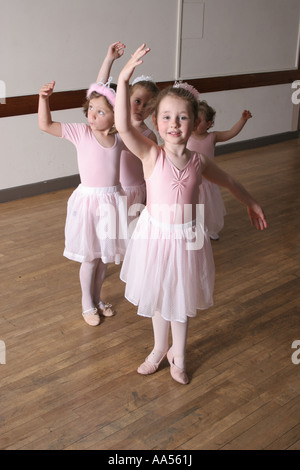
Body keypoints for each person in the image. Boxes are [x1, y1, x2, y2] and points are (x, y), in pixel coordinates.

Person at [115, 44, 267, 385]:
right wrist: (124, 75)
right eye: (166, 117)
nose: (174, 123)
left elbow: (228, 180)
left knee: (180, 301)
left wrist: (250, 202)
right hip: (155, 237)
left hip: (186, 238)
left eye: (182, 117)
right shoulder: (152, 155)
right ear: (156, 121)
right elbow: (124, 127)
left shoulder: (199, 161)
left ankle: (178, 356)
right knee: (157, 297)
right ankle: (158, 348)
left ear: (194, 121)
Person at [38, 79, 127, 326]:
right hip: (89, 203)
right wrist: (44, 99)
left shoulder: (120, 139)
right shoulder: (81, 132)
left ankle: (98, 298)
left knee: (104, 258)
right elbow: (45, 125)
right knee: (90, 257)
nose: (93, 116)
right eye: (91, 109)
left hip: (112, 202)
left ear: (115, 115)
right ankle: (86, 302)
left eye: (101, 112)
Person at [96, 43, 159, 232]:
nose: (141, 108)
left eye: (148, 105)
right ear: (127, 96)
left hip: (137, 191)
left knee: (132, 233)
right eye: (137, 101)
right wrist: (109, 60)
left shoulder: (150, 135)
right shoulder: (115, 122)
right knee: (112, 230)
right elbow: (99, 91)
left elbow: (152, 170)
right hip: (115, 190)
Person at [187, 99, 253, 240]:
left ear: (209, 124)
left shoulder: (213, 137)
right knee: (192, 207)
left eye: (199, 121)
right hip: (192, 180)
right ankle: (192, 229)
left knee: (209, 208)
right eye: (193, 119)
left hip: (208, 181)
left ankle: (210, 229)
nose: (194, 124)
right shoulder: (187, 136)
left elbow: (231, 132)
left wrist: (243, 120)